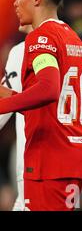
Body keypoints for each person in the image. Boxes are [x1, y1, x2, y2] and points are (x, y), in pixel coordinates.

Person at [0, 0, 82, 211]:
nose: (16, 2)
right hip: (73, 161)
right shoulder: (74, 40)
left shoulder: (40, 39)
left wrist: (5, 103)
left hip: (47, 164)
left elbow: (48, 88)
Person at [0, 25, 32, 211]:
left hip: (34, 163)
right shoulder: (76, 44)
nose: (17, 3)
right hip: (71, 160)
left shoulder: (22, 51)